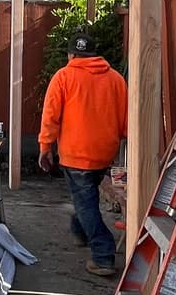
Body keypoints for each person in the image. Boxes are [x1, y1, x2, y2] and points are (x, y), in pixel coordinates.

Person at [38, 30, 127, 276]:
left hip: (76, 154)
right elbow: (126, 121)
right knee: (85, 198)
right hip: (105, 153)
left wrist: (45, 147)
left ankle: (103, 255)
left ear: (70, 54)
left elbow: (50, 116)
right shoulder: (116, 79)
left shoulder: (64, 77)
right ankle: (79, 231)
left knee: (86, 203)